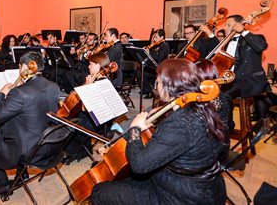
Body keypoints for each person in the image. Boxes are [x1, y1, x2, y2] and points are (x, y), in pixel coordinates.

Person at [91, 59, 227, 204]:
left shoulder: (180, 122)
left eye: (157, 83)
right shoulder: (206, 108)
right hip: (208, 186)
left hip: (182, 195)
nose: (156, 87)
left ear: (169, 86)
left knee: (100, 192)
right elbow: (222, 152)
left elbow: (139, 165)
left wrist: (135, 129)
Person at [0, 52, 60, 197]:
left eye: (19, 67)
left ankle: (1, 185)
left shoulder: (20, 93)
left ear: (24, 68)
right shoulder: (53, 86)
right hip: (48, 145)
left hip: (27, 151)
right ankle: (22, 173)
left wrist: (1, 94)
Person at [220, 15, 272, 119]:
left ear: (238, 25)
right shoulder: (226, 42)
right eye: (225, 25)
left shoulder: (253, 38)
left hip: (247, 80)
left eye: (228, 25)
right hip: (231, 80)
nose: (225, 28)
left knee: (223, 97)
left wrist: (243, 31)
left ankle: (227, 126)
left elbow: (262, 46)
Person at [136, 29, 169, 98]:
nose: (154, 39)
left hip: (160, 69)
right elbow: (150, 59)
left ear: (162, 37)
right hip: (153, 67)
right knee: (139, 71)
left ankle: (150, 92)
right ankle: (145, 90)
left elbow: (159, 59)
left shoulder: (165, 46)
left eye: (156, 37)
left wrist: (149, 54)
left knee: (141, 73)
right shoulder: (156, 46)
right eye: (154, 37)